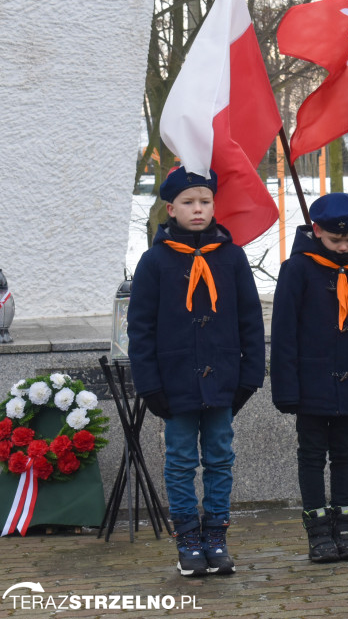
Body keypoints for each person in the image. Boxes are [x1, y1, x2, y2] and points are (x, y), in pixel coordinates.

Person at [128, 166, 265, 577]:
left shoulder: (232, 257)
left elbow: (250, 321)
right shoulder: (154, 262)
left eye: (205, 201)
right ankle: (188, 537)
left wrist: (249, 376)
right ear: (171, 209)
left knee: (221, 457)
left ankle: (216, 535)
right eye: (189, 202)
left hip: (223, 381)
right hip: (175, 383)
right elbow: (141, 328)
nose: (198, 209)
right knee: (181, 459)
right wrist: (150, 385)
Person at [269, 193, 348, 563]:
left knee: (347, 454)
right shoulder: (297, 269)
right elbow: (284, 334)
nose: (344, 246)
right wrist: (286, 389)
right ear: (316, 231)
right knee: (312, 455)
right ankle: (318, 531)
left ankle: (345, 526)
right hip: (311, 383)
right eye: (336, 240)